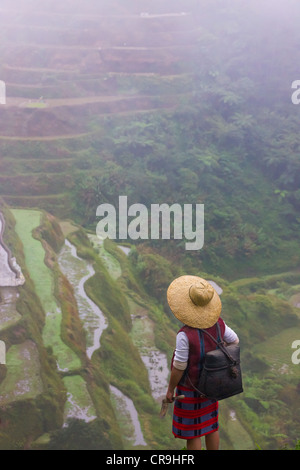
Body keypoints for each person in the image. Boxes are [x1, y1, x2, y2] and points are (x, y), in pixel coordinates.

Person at [165, 275, 239, 451]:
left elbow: (180, 366)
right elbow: (234, 341)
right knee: (211, 426)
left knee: (193, 432)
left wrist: (170, 389)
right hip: (212, 385)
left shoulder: (185, 335)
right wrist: (217, 355)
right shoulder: (219, 324)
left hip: (191, 389)